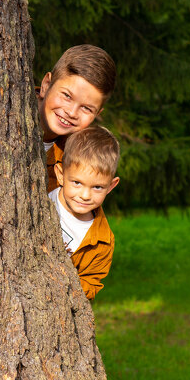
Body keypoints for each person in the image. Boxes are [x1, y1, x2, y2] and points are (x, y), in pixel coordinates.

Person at [50, 125, 121, 301]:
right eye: (77, 183)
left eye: (97, 187)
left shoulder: (102, 242)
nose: (85, 195)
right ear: (60, 174)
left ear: (110, 186)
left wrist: (63, 277)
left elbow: (91, 284)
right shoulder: (42, 191)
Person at [36, 44, 116, 192]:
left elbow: (87, 205)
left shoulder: (75, 155)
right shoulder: (4, 111)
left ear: (97, 115)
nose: (72, 113)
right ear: (46, 85)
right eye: (67, 96)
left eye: (86, 108)